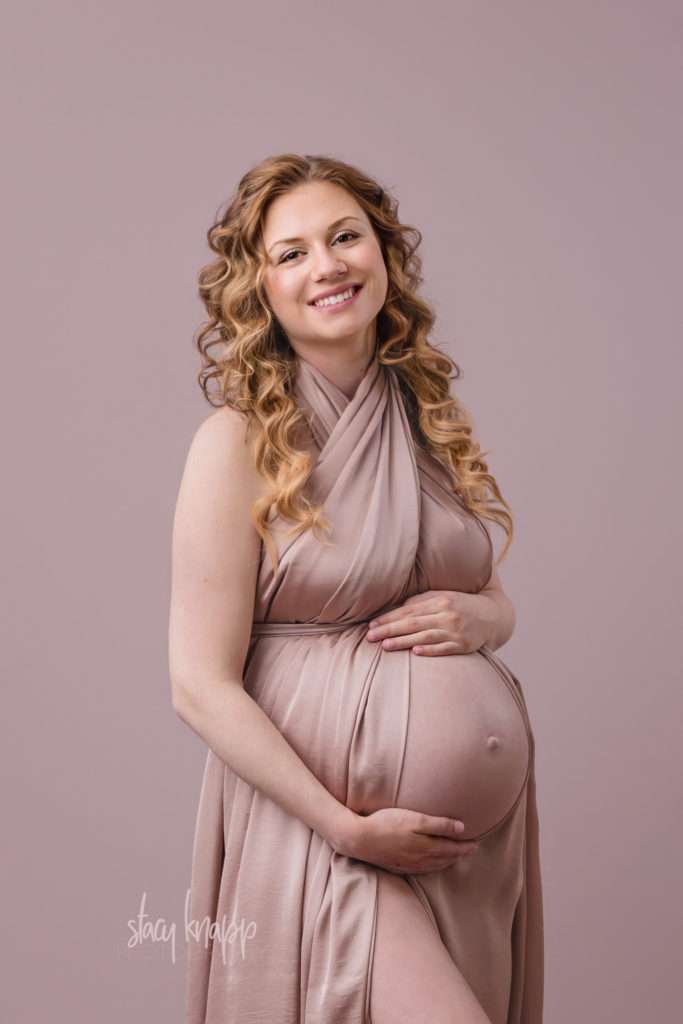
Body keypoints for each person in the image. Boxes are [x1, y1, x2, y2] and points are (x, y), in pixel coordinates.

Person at [168, 153, 544, 1023]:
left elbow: (488, 596)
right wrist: (344, 828)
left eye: (344, 237)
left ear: (384, 253)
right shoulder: (237, 442)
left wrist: (487, 614)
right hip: (325, 839)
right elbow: (197, 685)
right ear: (259, 288)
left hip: (466, 860)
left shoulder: (424, 416)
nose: (327, 265)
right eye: (291, 253)